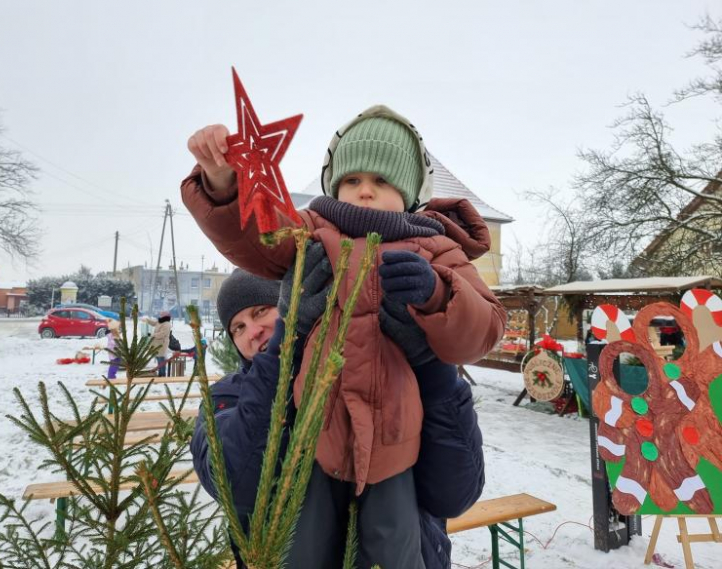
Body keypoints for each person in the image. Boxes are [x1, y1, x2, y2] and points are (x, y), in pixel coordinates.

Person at [182, 105, 505, 563]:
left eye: (381, 181)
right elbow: (256, 232)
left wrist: (436, 295)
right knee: (305, 538)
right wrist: (222, 183)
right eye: (351, 180)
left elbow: (485, 326)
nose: (365, 191)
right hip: (315, 434)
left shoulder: (436, 247)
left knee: (394, 539)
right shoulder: (313, 233)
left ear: (411, 191)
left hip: (397, 436)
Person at [191, 267, 485, 569]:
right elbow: (236, 486)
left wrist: (430, 365)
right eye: (237, 328)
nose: (252, 333)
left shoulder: (398, 377)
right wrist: (286, 347)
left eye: (261, 311)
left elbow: (454, 495)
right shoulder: (226, 399)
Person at [142, 311, 172, 376]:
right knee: (158, 358)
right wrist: (147, 319)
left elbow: (163, 334)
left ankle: (162, 374)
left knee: (161, 359)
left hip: (162, 344)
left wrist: (152, 335)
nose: (160, 315)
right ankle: (160, 373)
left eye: (161, 315)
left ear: (165, 316)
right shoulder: (161, 321)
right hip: (157, 343)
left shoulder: (167, 324)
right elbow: (153, 323)